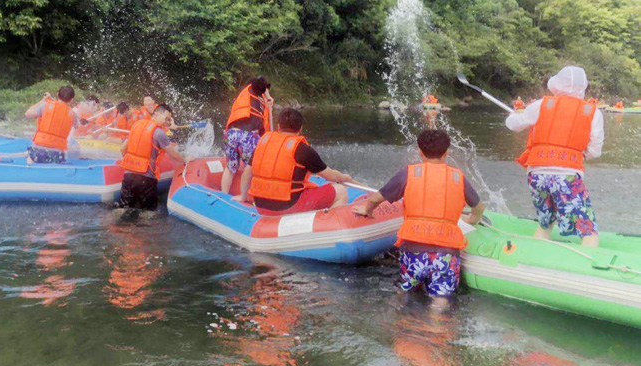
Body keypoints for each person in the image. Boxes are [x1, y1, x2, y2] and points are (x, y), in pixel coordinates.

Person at [353, 130, 484, 304]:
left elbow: (375, 199)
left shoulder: (409, 174)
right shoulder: (457, 177)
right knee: (440, 301)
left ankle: (400, 315)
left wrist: (368, 210)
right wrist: (472, 220)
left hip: (413, 250)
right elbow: (479, 208)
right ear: (447, 152)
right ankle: (437, 318)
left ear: (420, 152)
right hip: (445, 252)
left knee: (405, 293)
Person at [506, 66, 603, 247]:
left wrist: (513, 115)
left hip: (536, 173)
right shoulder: (593, 113)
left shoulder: (540, 105)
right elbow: (594, 151)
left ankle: (539, 250)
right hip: (567, 175)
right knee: (588, 230)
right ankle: (589, 258)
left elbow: (513, 124)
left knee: (545, 222)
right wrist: (577, 154)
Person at [248, 108, 353, 215]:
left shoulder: (263, 144)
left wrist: (243, 196)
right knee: (341, 191)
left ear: (278, 126)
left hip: (260, 205)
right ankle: (325, 221)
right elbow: (332, 177)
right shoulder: (303, 149)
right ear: (300, 129)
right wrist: (344, 177)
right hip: (287, 207)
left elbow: (247, 172)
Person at [119, 104, 189, 210]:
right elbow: (173, 153)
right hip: (146, 178)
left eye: (169, 120)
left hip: (128, 176)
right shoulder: (159, 133)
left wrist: (132, 161)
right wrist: (185, 159)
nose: (168, 122)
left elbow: (123, 148)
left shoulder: (136, 125)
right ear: (156, 115)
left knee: (123, 208)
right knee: (149, 212)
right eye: (167, 119)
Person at [221, 76, 274, 202]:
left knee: (230, 168)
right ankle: (249, 198)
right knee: (250, 169)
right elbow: (259, 80)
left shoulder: (247, 95)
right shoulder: (254, 88)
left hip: (232, 134)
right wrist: (268, 96)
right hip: (248, 137)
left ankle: (223, 195)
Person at [25, 86, 80, 164]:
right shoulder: (72, 114)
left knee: (30, 158)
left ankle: (29, 168)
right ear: (71, 100)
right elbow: (77, 126)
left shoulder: (45, 105)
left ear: (57, 94)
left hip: (39, 150)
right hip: (58, 154)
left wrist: (43, 100)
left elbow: (27, 114)